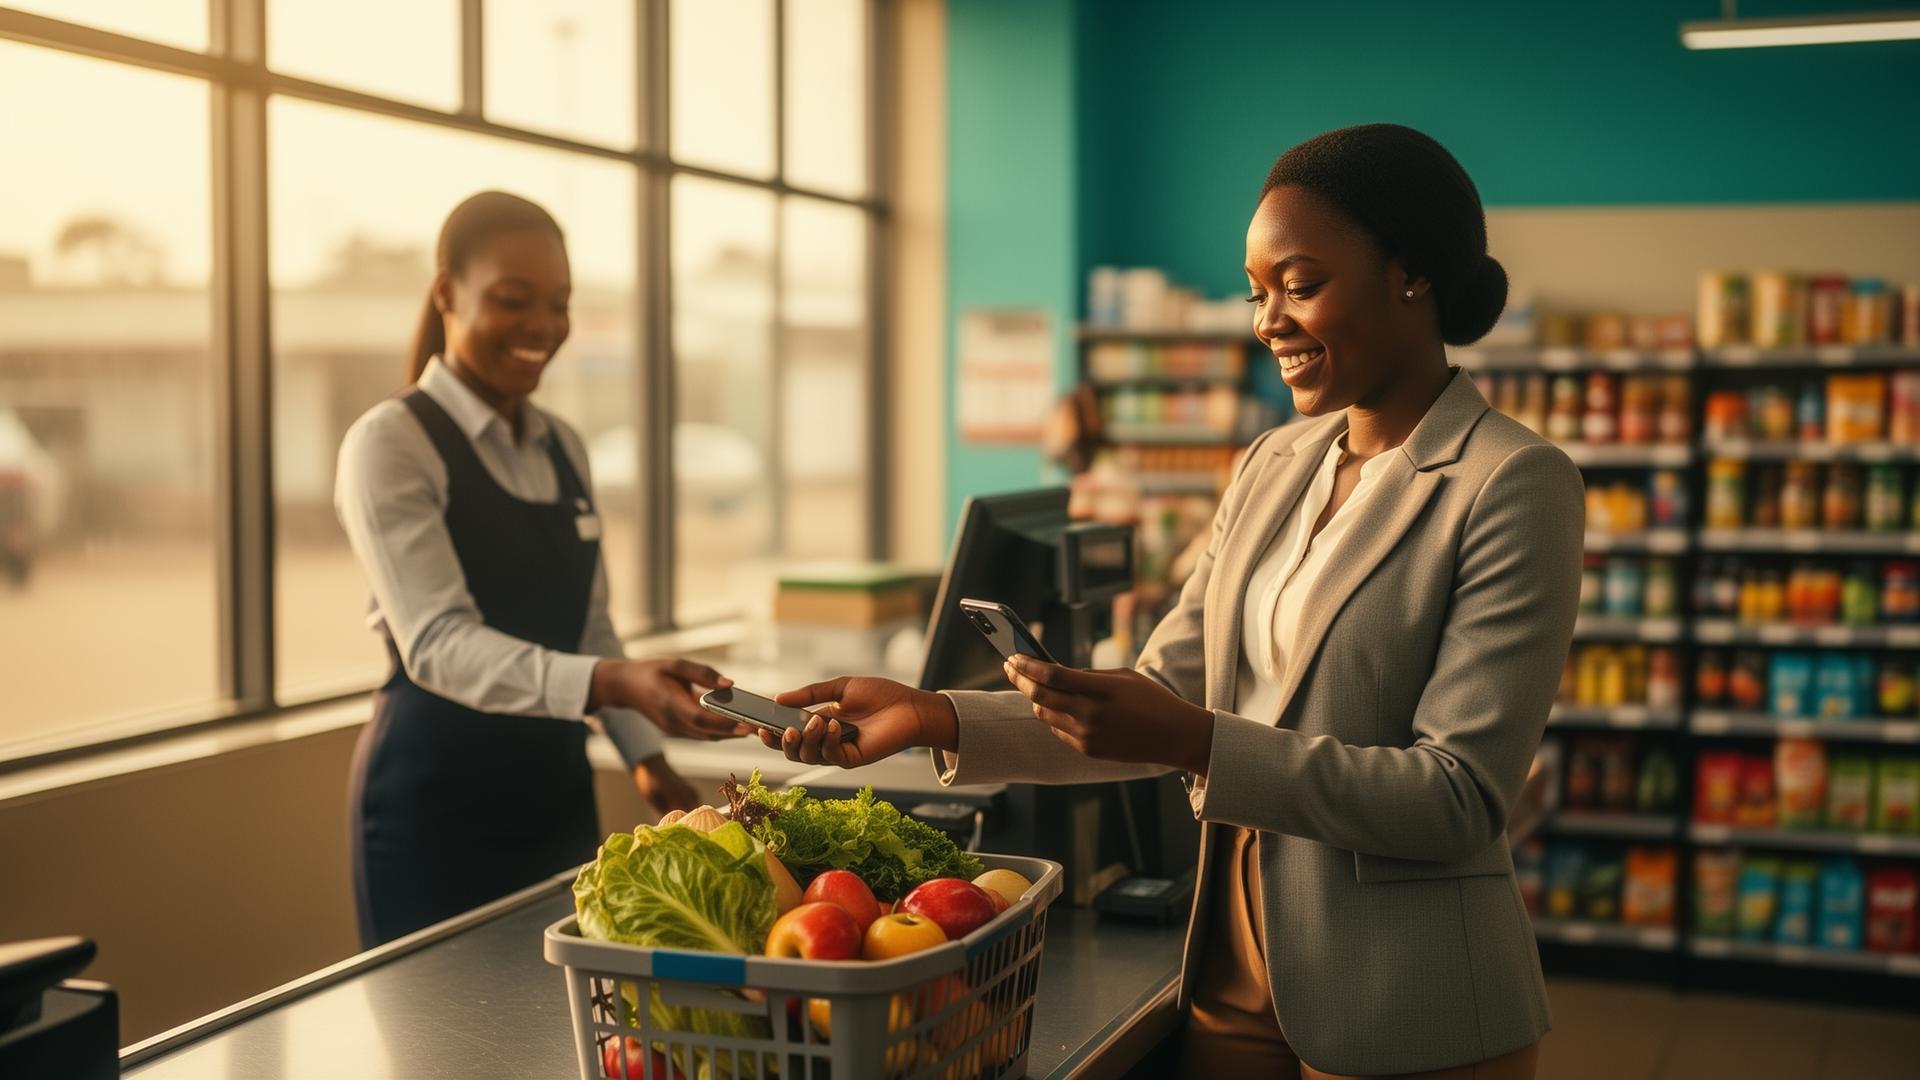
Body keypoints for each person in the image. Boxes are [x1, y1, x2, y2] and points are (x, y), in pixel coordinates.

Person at [761, 126, 1582, 1079]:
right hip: (1232, 964)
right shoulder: (1277, 464)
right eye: (1257, 292)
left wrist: (1198, 741)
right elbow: (1155, 691)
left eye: (1301, 284)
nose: (1268, 320)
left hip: (1404, 1000)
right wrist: (932, 714)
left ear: (1412, 274)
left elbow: (1457, 798)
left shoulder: (1512, 481)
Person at [336, 191, 747, 948]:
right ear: (446, 293)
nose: (543, 327)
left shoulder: (562, 445)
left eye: (558, 304)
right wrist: (613, 682)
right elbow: (437, 642)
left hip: (557, 794)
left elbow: (589, 625)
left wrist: (649, 761)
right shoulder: (390, 444)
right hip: (435, 808)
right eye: (513, 300)